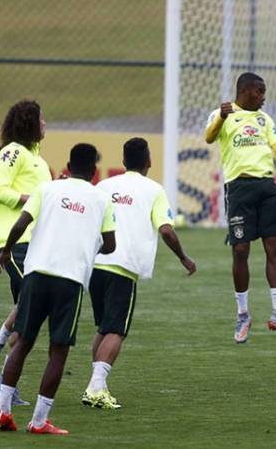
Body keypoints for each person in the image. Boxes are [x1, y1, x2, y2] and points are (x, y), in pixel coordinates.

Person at [0, 144, 115, 434]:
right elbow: (111, 244)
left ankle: (2, 412)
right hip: (71, 279)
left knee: (23, 342)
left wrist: (6, 252)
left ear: (67, 165)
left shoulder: (47, 189)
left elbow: (20, 223)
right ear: (94, 171)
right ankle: (39, 421)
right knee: (58, 350)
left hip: (36, 273)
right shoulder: (101, 199)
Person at [81, 137, 196, 410]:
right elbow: (166, 229)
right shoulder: (154, 190)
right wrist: (184, 258)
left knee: (104, 328)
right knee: (116, 331)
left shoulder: (105, 185)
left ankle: (98, 384)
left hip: (96, 265)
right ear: (149, 162)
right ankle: (96, 387)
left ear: (123, 162)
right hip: (124, 266)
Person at [204, 72, 276, 343]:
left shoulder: (264, 120)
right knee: (241, 250)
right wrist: (221, 117)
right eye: (259, 92)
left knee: (275, 247)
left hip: (267, 187)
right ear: (245, 91)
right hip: (239, 189)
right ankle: (243, 314)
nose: (264, 97)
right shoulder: (222, 115)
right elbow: (209, 138)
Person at [0, 99, 52, 406]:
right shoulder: (13, 152)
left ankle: (6, 371)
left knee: (30, 305)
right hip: (15, 242)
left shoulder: (37, 160)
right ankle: (6, 384)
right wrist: (29, 198)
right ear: (30, 123)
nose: (46, 124)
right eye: (42, 119)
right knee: (31, 305)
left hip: (36, 242)